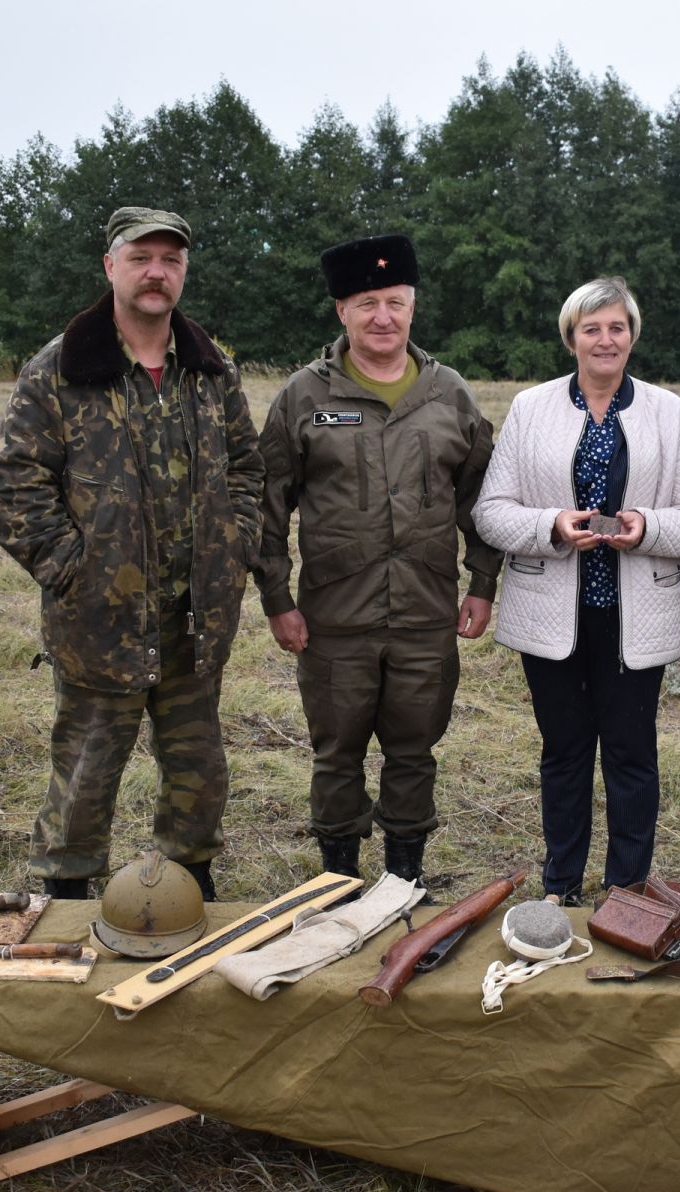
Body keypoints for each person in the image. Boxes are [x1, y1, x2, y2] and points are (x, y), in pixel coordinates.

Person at [0, 207, 263, 902]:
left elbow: (247, 468)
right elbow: (15, 485)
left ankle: (186, 888)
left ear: (183, 274)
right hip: (100, 622)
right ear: (111, 266)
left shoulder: (210, 370)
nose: (156, 272)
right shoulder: (59, 371)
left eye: (170, 260)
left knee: (198, 769)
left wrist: (234, 550)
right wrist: (73, 573)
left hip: (195, 619)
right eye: (141, 257)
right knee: (86, 769)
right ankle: (67, 897)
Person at [255, 234, 501, 889]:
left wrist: (482, 581)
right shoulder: (304, 396)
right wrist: (277, 599)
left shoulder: (449, 394)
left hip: (425, 612)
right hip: (335, 616)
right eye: (368, 303)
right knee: (336, 754)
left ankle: (403, 880)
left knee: (414, 752)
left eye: (395, 302)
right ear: (342, 311)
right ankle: (337, 881)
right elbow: (267, 503)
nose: (383, 317)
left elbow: (482, 494)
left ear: (413, 307)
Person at [473, 278, 680, 904]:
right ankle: (561, 885)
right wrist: (552, 525)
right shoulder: (531, 409)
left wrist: (648, 528)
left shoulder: (667, 411)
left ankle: (626, 889)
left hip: (632, 618)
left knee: (632, 757)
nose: (604, 339)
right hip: (554, 616)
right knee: (564, 753)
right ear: (571, 338)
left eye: (616, 327)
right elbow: (490, 512)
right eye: (592, 328)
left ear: (632, 336)